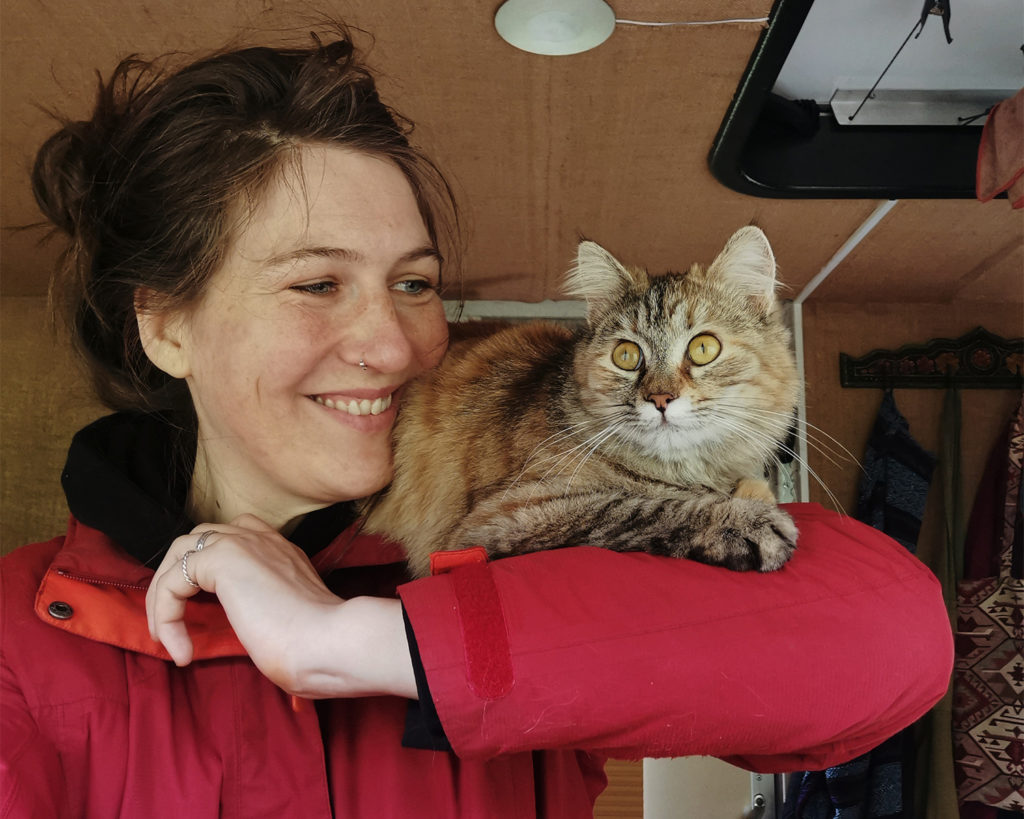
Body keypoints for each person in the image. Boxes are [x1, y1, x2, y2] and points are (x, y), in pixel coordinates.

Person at [1, 26, 953, 819]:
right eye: (317, 283)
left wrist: (367, 642)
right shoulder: (18, 631)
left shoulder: (477, 548)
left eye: (414, 284)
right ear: (166, 324)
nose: (393, 342)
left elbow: (895, 651)